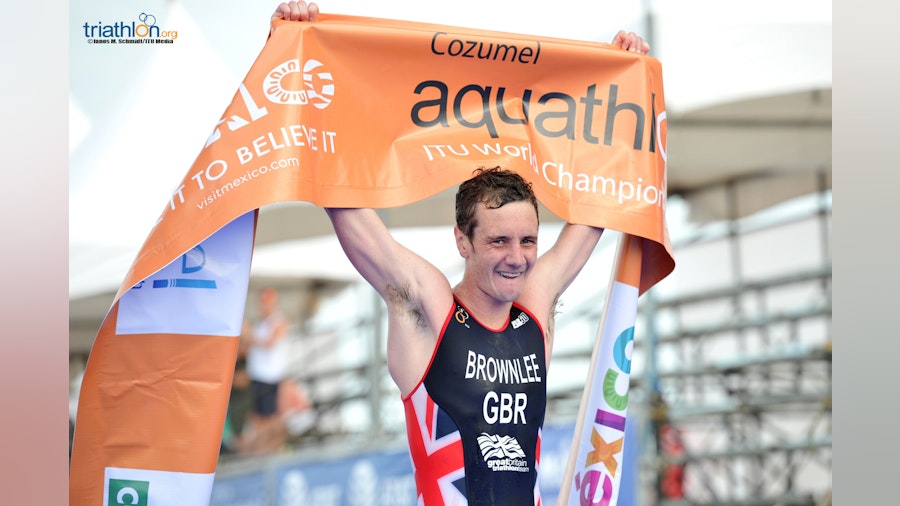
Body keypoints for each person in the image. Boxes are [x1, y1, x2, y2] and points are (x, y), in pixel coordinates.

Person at [272, 2, 650, 503]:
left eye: (528, 241)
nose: (517, 258)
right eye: (498, 241)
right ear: (462, 241)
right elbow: (348, 211)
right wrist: (300, 58)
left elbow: (598, 207)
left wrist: (624, 81)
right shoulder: (429, 309)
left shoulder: (534, 310)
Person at [242, 286, 291, 454]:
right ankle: (264, 449)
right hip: (258, 375)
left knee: (269, 416)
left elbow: (270, 343)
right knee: (258, 416)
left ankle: (272, 448)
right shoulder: (260, 324)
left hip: (269, 376)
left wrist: (249, 336)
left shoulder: (278, 321)